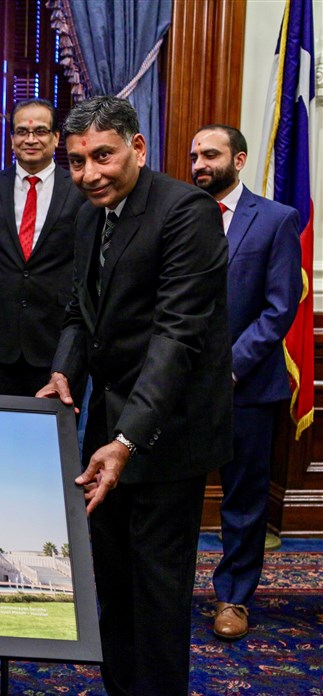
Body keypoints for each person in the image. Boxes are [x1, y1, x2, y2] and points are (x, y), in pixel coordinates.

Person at [36, 96, 232, 696]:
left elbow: (176, 337)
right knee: (113, 585)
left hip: (164, 435)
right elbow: (79, 309)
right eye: (76, 162)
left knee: (156, 595)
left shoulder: (186, 212)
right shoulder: (91, 212)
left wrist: (127, 439)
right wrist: (65, 371)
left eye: (103, 156)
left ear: (137, 149)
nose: (90, 173)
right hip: (109, 424)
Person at [190, 124, 301, 641]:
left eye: (210, 154)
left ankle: (233, 597)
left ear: (239, 160)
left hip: (248, 385)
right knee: (174, 495)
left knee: (243, 500)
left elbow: (280, 310)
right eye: (194, 156)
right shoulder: (180, 215)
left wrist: (229, 367)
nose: (199, 164)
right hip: (179, 385)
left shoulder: (277, 219)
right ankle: (163, 590)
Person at [0, 98, 84, 396]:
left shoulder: (80, 191)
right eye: (22, 131)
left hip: (55, 337)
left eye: (41, 131)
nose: (31, 139)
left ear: (57, 137)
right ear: (12, 138)